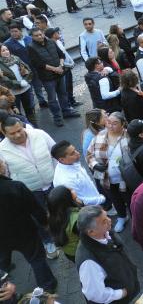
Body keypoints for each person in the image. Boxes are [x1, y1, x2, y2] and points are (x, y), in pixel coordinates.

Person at [0, 117, 59, 258]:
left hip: (52, 182)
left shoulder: (39, 134)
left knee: (60, 211)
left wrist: (59, 175)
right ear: (4, 133)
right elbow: (5, 175)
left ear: (22, 126)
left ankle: (66, 234)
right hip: (30, 191)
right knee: (38, 218)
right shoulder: (2, 150)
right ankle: (48, 241)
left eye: (19, 130)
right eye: (12, 133)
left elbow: (56, 152)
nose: (18, 135)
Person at [0, 157, 57, 292]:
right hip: (24, 232)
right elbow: (35, 208)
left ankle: (4, 284)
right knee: (36, 259)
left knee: (2, 261)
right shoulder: (16, 186)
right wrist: (45, 223)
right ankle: (48, 286)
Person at [76, 205, 139, 303]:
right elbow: (96, 295)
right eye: (104, 221)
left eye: (107, 216)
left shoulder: (104, 231)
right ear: (91, 232)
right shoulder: (88, 263)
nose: (109, 220)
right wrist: (122, 293)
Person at [86, 113, 132, 233]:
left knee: (130, 200)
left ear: (123, 124)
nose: (110, 126)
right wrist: (95, 165)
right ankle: (122, 217)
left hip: (125, 178)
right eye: (108, 122)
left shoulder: (129, 136)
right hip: (106, 178)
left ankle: (136, 219)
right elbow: (89, 154)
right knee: (115, 199)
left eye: (115, 123)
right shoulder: (100, 136)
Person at [28, 28, 80, 126]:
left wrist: (60, 66)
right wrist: (56, 69)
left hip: (60, 73)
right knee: (52, 98)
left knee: (63, 94)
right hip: (47, 77)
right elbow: (38, 64)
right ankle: (57, 117)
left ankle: (66, 111)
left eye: (40, 34)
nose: (39, 36)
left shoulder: (51, 42)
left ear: (43, 33)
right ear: (32, 37)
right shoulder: (31, 47)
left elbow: (61, 55)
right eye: (36, 35)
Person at [52, 140, 105, 207]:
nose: (77, 153)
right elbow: (81, 201)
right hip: (90, 210)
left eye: (75, 150)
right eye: (72, 153)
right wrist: (101, 199)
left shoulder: (71, 163)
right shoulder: (65, 180)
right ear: (61, 159)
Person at [0, 42, 35, 125]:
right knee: (17, 112)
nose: (6, 52)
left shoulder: (16, 58)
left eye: (7, 49)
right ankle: (23, 126)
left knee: (30, 109)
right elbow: (4, 80)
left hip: (25, 88)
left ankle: (34, 126)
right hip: (12, 92)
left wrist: (26, 80)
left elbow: (28, 70)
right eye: (3, 51)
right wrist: (19, 83)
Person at [47, 185, 82, 262]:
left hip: (69, 252)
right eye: (70, 191)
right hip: (80, 252)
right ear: (67, 199)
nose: (73, 190)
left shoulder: (52, 216)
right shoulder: (76, 219)